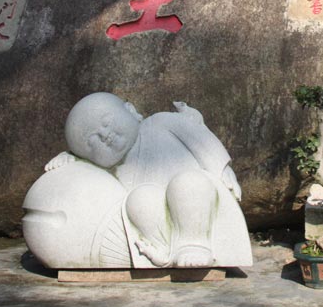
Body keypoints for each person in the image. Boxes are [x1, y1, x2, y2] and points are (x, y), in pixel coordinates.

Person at [39, 92, 249, 268]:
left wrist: (222, 169)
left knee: (188, 184)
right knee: (140, 199)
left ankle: (195, 245)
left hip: (198, 199)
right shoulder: (112, 170)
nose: (105, 134)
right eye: (92, 141)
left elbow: (200, 139)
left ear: (130, 110)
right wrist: (73, 161)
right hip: (161, 219)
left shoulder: (160, 122)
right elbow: (89, 184)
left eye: (106, 122)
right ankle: (165, 249)